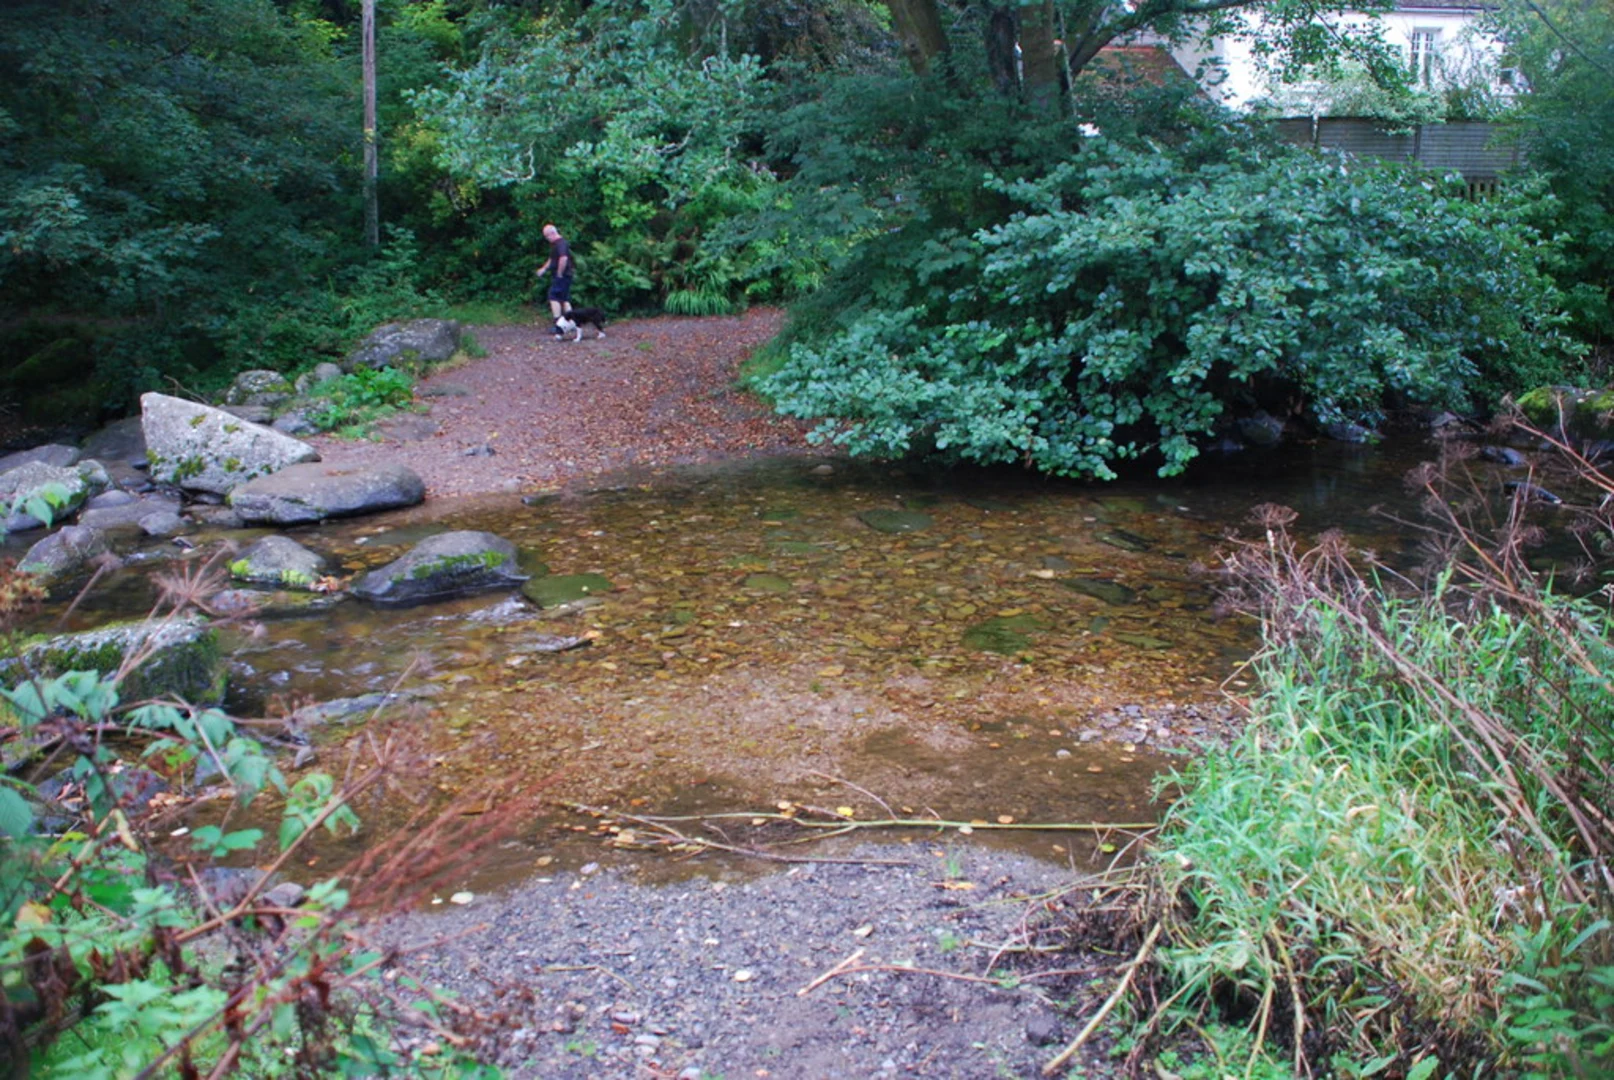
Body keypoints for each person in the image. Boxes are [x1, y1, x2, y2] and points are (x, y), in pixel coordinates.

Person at [534, 223, 575, 337]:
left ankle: (558, 324)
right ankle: (572, 322)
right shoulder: (555, 245)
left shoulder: (561, 244)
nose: (547, 239)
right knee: (564, 298)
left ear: (553, 233)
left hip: (563, 275)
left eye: (547, 236)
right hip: (565, 275)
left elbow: (563, 258)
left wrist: (560, 273)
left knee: (553, 296)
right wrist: (543, 269)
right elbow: (552, 259)